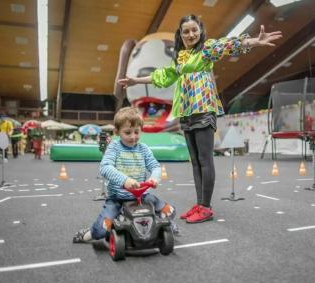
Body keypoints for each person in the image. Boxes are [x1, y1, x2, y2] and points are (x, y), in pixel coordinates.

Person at [118, 15, 282, 223]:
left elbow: (227, 45)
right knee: (195, 162)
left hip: (203, 110)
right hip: (186, 113)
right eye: (186, 31)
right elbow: (162, 75)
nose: (190, 34)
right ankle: (199, 204)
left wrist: (254, 41)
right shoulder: (181, 58)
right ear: (181, 34)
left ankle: (206, 207)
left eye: (194, 30)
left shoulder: (206, 50)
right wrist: (134, 80)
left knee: (205, 160)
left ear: (200, 31)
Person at [73, 107, 177, 243]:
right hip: (118, 198)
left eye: (136, 132)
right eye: (127, 132)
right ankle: (88, 234)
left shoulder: (143, 149)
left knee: (170, 211)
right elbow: (105, 167)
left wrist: (154, 178)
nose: (133, 137)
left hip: (142, 195)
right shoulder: (114, 148)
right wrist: (125, 180)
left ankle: (163, 226)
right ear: (117, 132)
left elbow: (155, 166)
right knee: (101, 230)